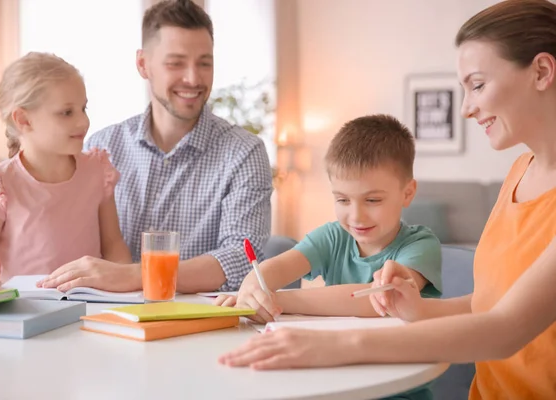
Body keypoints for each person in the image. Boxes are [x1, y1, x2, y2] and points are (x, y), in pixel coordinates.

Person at [219, 1, 556, 399]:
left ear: (541, 71)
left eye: (478, 85)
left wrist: (337, 347)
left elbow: (506, 329)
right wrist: (419, 309)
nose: (466, 107)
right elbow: (488, 302)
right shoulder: (519, 171)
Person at [0, 0, 273, 294]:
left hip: (196, 327)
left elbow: (242, 259)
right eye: (176, 63)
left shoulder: (244, 153)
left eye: (204, 63)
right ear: (143, 64)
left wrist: (135, 276)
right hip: (93, 323)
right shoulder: (100, 147)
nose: (193, 78)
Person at [215, 115, 442, 328]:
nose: (356, 216)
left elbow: (378, 300)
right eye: (342, 199)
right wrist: (251, 288)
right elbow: (280, 266)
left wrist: (276, 300)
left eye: (372, 200)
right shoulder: (333, 236)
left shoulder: (421, 245)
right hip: (338, 355)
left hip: (402, 359)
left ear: (407, 193)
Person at [0, 52, 131, 300]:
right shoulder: (0, 183)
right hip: (23, 312)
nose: (84, 121)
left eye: (84, 108)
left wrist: (125, 290)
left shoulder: (97, 171)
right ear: (23, 119)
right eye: (67, 112)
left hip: (89, 306)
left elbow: (114, 246)